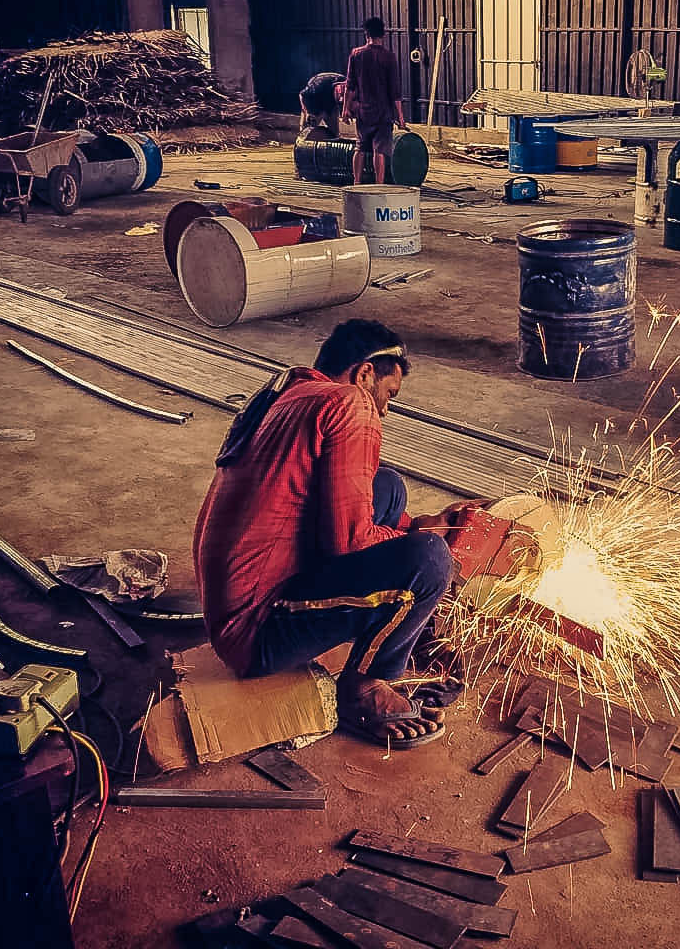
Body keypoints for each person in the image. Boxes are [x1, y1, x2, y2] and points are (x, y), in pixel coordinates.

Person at [193, 319, 473, 749]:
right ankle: (364, 687)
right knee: (431, 560)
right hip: (257, 632)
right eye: (388, 395)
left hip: (236, 599)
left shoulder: (291, 390)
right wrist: (430, 546)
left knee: (388, 486)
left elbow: (345, 512)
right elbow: (350, 541)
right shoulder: (350, 403)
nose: (384, 409)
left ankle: (405, 587)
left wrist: (419, 525)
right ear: (364, 374)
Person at [341, 16, 406, 185]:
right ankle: (378, 184)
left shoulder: (356, 54)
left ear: (366, 34)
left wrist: (345, 109)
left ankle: (356, 182)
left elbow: (350, 85)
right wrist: (400, 117)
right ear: (383, 35)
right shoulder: (389, 57)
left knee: (360, 147)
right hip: (383, 113)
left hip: (364, 111)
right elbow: (395, 91)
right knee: (380, 150)